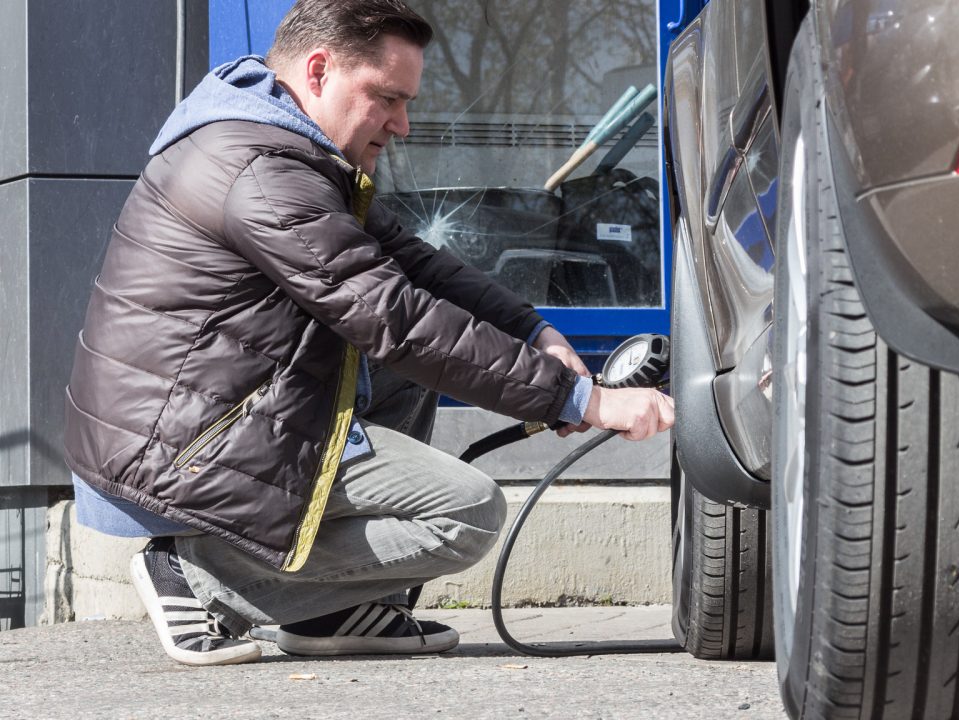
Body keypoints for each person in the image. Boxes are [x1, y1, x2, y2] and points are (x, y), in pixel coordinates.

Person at [62, 0, 673, 667]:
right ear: (319, 70)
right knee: (467, 514)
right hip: (179, 444)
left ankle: (324, 611)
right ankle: (205, 574)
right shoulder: (263, 172)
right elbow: (393, 318)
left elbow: (416, 266)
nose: (402, 124)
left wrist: (535, 329)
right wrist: (578, 400)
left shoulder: (287, 148)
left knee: (408, 367)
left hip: (215, 412)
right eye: (386, 97)